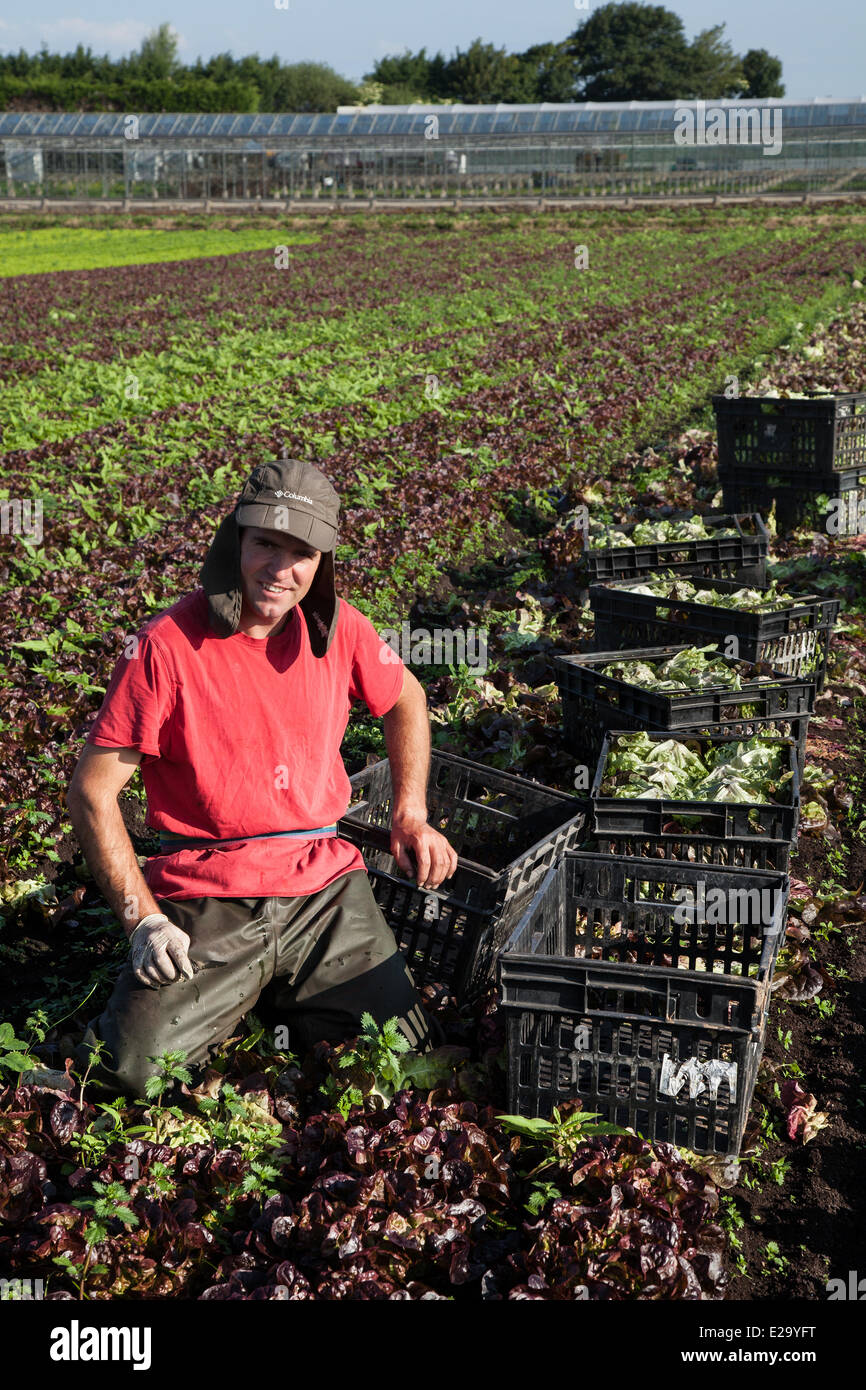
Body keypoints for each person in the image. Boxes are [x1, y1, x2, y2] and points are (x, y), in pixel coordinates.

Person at [66, 457, 458, 1098]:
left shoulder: (341, 629)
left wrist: (409, 812)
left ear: (322, 560)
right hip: (211, 890)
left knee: (402, 1062)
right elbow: (92, 792)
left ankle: (272, 992)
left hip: (324, 889)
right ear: (236, 540)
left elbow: (407, 700)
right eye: (265, 544)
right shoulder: (166, 645)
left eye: (301, 552)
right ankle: (256, 989)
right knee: (129, 1074)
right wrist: (143, 922)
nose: (281, 569)